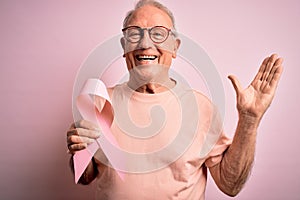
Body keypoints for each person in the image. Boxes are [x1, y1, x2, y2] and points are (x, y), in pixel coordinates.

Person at [66, 0, 283, 199]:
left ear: (175, 47)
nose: (145, 43)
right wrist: (80, 151)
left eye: (158, 34)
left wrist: (249, 119)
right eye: (134, 34)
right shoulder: (99, 102)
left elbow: (230, 185)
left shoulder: (201, 108)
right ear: (124, 47)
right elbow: (86, 177)